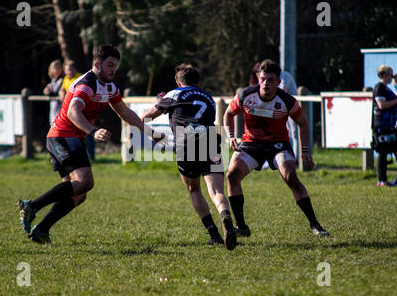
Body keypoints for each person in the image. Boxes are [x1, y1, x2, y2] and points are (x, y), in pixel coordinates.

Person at [17, 45, 165, 244]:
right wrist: (93, 131)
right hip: (62, 135)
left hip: (71, 138)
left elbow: (125, 113)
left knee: (79, 193)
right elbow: (72, 112)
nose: (113, 69)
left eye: (116, 65)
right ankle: (32, 205)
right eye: (110, 65)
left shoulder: (110, 87)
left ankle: (41, 230)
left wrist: (149, 132)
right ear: (97, 64)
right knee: (85, 181)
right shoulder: (86, 84)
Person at [223, 59, 329, 238]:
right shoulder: (245, 95)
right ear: (258, 78)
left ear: (278, 82)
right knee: (232, 175)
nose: (266, 83)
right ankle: (241, 227)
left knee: (291, 177)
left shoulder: (287, 100)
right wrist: (231, 136)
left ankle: (315, 225)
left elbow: (303, 123)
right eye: (263, 79)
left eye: (270, 80)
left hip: (278, 144)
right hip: (252, 143)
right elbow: (228, 114)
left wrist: (304, 151)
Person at [141, 63, 237, 250]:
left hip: (186, 143)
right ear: (198, 82)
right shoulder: (208, 97)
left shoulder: (173, 94)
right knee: (217, 191)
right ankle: (224, 214)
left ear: (178, 82)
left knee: (194, 189)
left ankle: (214, 234)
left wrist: (158, 114)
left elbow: (146, 117)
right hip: (210, 140)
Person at [371, 65, 397, 186]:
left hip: (390, 126)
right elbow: (382, 105)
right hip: (381, 126)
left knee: (396, 150)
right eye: (390, 74)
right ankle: (382, 180)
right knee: (382, 153)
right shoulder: (379, 88)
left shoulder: (386, 89)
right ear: (385, 74)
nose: (392, 77)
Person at [279, 69, 299, 164]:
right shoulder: (277, 77)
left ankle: (296, 158)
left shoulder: (284, 76)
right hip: (285, 108)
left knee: (295, 133)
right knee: (289, 133)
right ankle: (290, 157)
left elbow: (283, 90)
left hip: (293, 107)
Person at [44, 60, 64, 125]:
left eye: (58, 68)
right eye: (55, 68)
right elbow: (48, 88)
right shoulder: (53, 80)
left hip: (61, 107)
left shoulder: (64, 79)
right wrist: (47, 90)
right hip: (54, 107)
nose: (56, 70)